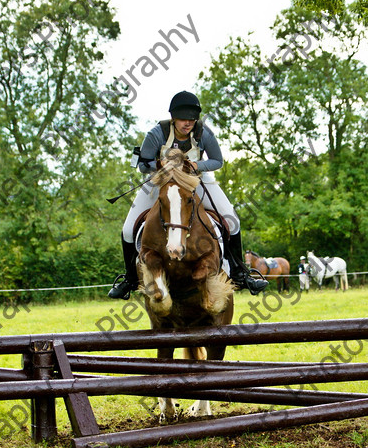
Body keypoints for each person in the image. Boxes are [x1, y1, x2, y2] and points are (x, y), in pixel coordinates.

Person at [108, 91, 268, 300]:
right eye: (184, 119)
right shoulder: (157, 133)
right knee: (128, 229)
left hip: (196, 180)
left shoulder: (203, 133)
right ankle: (129, 279)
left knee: (233, 221)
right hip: (161, 183)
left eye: (192, 119)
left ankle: (239, 274)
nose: (188, 123)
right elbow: (142, 165)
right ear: (174, 118)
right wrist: (160, 164)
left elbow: (217, 161)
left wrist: (196, 165)